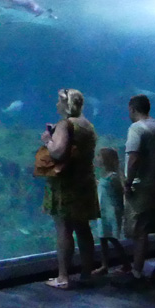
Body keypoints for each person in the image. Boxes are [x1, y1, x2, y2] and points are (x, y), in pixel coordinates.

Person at [41, 88, 99, 289]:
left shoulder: (66, 124)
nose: (56, 104)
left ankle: (63, 276)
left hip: (66, 183)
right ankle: (86, 272)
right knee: (83, 228)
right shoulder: (87, 125)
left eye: (58, 101)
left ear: (65, 104)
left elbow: (58, 152)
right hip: (85, 181)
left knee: (64, 228)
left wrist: (48, 140)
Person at [120, 94, 155, 285]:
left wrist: (128, 182)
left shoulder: (136, 128)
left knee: (140, 229)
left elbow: (133, 159)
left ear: (132, 109)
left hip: (141, 187)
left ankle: (136, 271)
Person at [91, 147, 130, 275]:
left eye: (99, 156)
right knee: (102, 238)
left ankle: (126, 264)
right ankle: (104, 265)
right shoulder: (104, 176)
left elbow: (119, 193)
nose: (97, 158)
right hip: (102, 212)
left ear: (106, 160)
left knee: (112, 238)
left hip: (111, 213)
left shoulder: (113, 177)